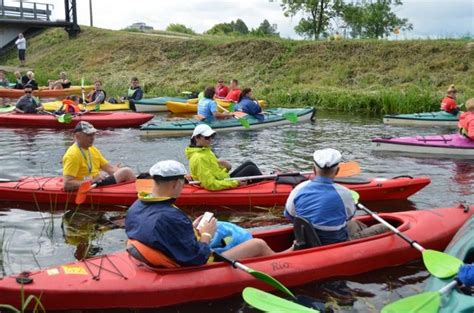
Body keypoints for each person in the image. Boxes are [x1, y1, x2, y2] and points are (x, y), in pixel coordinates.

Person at [125, 160, 275, 268]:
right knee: (258, 244)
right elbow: (197, 259)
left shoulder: (137, 206)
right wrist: (206, 235)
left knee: (224, 234)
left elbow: (163, 234)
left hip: (170, 253)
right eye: (183, 183)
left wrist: (192, 228)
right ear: (175, 184)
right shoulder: (170, 216)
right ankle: (281, 262)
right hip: (194, 263)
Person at [284, 148, 386, 246]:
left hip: (307, 240)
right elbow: (348, 216)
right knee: (385, 226)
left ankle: (362, 232)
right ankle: (366, 240)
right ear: (337, 171)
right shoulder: (345, 193)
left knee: (354, 223)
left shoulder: (298, 189)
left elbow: (289, 215)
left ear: (314, 169)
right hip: (338, 243)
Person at [185, 124, 263, 191]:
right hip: (219, 184)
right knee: (251, 169)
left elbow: (216, 173)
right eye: (207, 137)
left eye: (212, 136)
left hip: (222, 180)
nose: (210, 140)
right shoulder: (199, 158)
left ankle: (265, 182)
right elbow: (209, 184)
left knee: (249, 163)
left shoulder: (205, 151)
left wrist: (227, 169)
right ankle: (266, 186)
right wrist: (236, 183)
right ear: (196, 138)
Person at [62, 121, 135, 191]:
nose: (92, 138)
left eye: (93, 134)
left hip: (98, 181)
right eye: (88, 135)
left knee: (128, 172)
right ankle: (138, 195)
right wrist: (92, 181)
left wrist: (119, 171)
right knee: (126, 171)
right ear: (77, 136)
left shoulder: (92, 149)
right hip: (92, 185)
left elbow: (110, 169)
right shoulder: (72, 155)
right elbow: (67, 184)